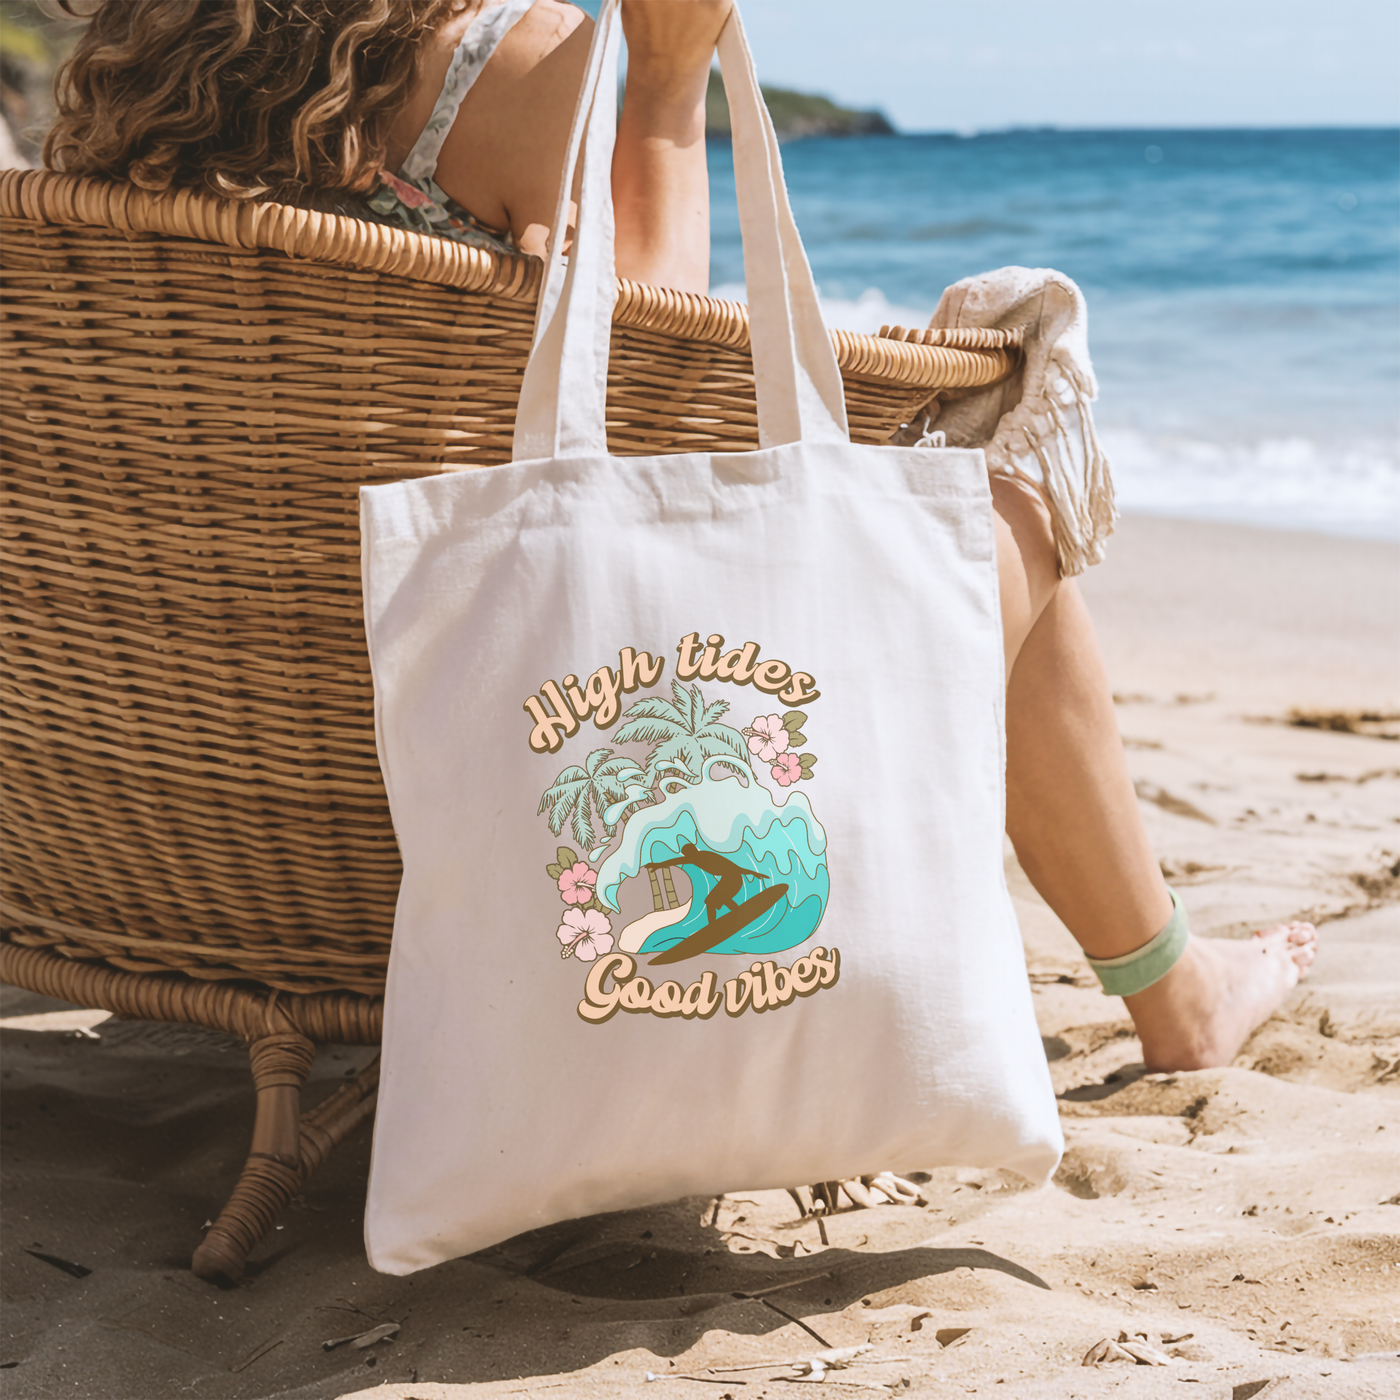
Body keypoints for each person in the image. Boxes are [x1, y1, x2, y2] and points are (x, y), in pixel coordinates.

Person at [44, 0, 1316, 1081]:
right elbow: (660, 431)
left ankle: (1180, 985)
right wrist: (658, 85)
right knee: (996, 411)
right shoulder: (499, 67)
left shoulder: (123, 97)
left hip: (191, 835)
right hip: (524, 812)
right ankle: (1173, 990)